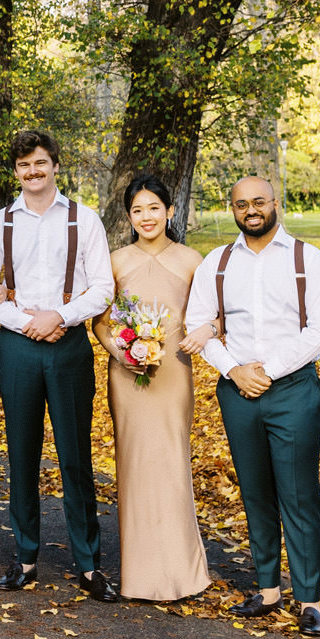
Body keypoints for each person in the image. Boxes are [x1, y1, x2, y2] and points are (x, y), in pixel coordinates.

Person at [183, 176, 320, 637]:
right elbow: (197, 323)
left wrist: (265, 371)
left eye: (258, 202)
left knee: (298, 494)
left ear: (275, 203)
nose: (250, 210)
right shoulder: (217, 262)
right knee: (254, 492)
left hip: (293, 390)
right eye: (241, 204)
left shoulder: (306, 258)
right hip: (237, 391)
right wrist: (234, 370)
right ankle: (268, 590)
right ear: (232, 209)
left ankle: (309, 599)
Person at [0, 129, 119, 601]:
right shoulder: (1, 223)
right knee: (21, 454)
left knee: (75, 456)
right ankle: (26, 557)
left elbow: (103, 287)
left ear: (55, 164)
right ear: (16, 171)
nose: (32, 172)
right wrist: (28, 323)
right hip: (18, 347)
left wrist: (60, 316)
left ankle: (89, 564)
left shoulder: (84, 219)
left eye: (40, 162)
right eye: (24, 165)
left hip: (69, 345)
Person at [102, 174, 212, 602]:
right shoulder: (115, 261)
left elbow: (212, 314)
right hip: (127, 375)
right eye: (137, 210)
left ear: (170, 210)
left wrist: (204, 331)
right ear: (128, 216)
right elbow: (100, 323)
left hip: (173, 374)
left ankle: (183, 572)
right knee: (134, 465)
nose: (146, 217)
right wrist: (121, 353)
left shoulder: (191, 260)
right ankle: (140, 575)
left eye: (154, 208)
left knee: (170, 461)